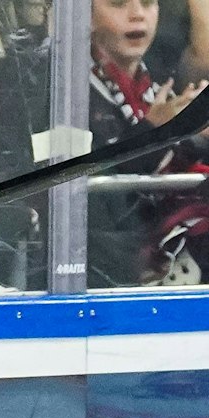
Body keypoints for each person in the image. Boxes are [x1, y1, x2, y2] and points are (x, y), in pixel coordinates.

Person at [89, 0, 209, 286]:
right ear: (86, 16)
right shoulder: (63, 87)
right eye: (118, 3)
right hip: (111, 261)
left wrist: (197, 137)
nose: (137, 14)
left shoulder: (156, 72)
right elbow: (90, 193)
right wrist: (155, 129)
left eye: (147, 2)